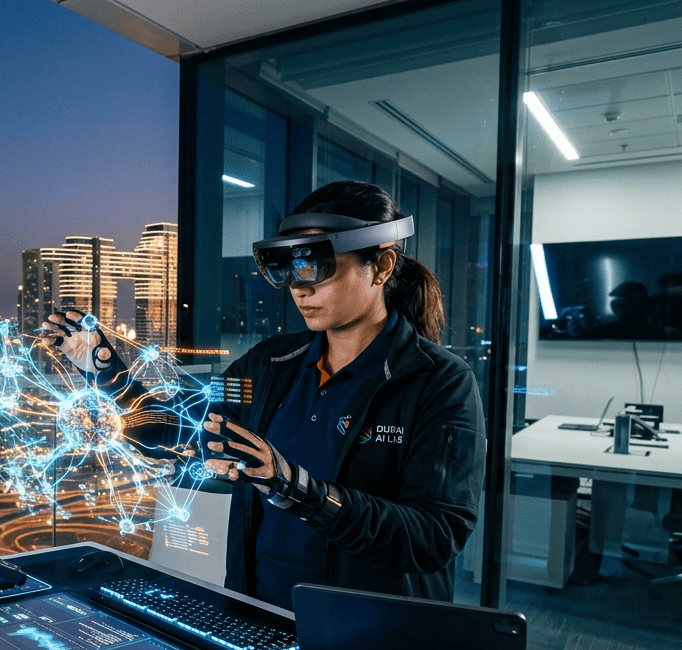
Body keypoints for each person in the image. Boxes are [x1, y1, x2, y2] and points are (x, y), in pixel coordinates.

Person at [42, 180, 486, 609]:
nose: (300, 287)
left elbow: (434, 536)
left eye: (317, 265)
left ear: (382, 266)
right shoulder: (269, 364)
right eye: (289, 268)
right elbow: (172, 429)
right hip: (262, 613)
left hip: (370, 636)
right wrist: (104, 370)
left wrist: (295, 487)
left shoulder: (439, 381)